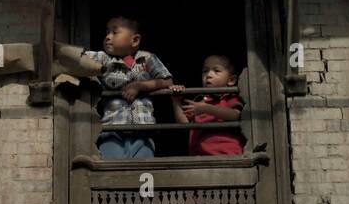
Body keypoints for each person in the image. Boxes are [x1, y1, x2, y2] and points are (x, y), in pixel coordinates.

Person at [84, 16, 174, 159]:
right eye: (107, 33)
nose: (108, 37)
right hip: (112, 131)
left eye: (114, 32)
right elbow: (79, 57)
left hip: (143, 131)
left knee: (140, 172)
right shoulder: (104, 59)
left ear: (135, 40)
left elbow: (167, 81)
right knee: (112, 172)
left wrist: (140, 85)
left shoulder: (147, 58)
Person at [172, 55, 245, 155]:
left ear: (231, 80)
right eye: (205, 71)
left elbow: (236, 115)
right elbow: (185, 126)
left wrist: (206, 108)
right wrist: (176, 102)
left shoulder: (230, 97)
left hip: (227, 155)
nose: (209, 75)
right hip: (200, 156)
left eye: (216, 71)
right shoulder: (199, 100)